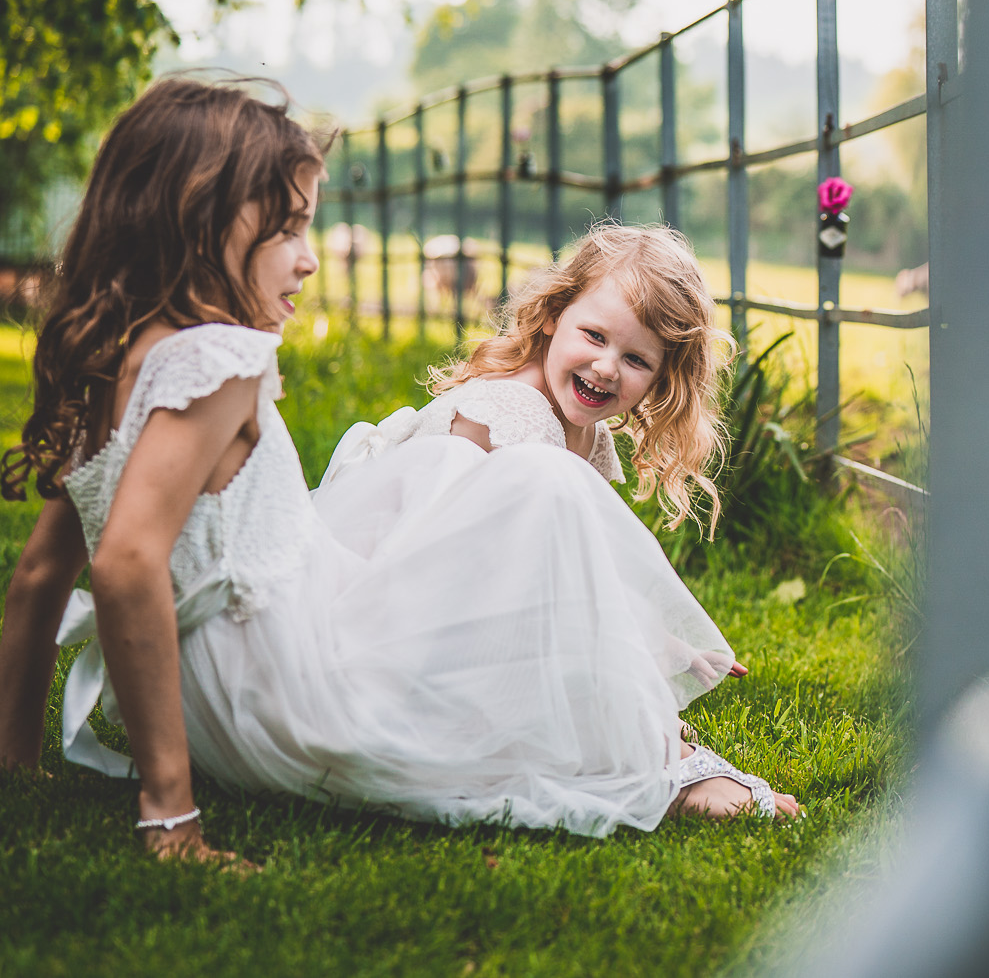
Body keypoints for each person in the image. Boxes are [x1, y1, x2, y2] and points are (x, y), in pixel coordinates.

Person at [0, 78, 787, 869]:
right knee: (539, 486)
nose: (310, 259)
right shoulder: (217, 363)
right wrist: (169, 810)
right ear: (203, 226)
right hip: (293, 703)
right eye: (290, 230)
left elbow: (38, 578)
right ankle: (666, 761)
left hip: (225, 706)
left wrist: (18, 766)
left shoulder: (110, 363)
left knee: (465, 472)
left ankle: (647, 722)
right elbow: (128, 562)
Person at [315, 222, 798, 823]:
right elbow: (501, 578)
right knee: (579, 664)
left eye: (636, 359)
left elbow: (576, 562)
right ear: (552, 316)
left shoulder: (585, 430)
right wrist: (639, 645)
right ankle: (665, 764)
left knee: (587, 655)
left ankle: (658, 751)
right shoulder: (512, 413)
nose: (605, 367)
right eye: (593, 335)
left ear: (662, 377)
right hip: (397, 628)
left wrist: (656, 638)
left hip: (458, 609)